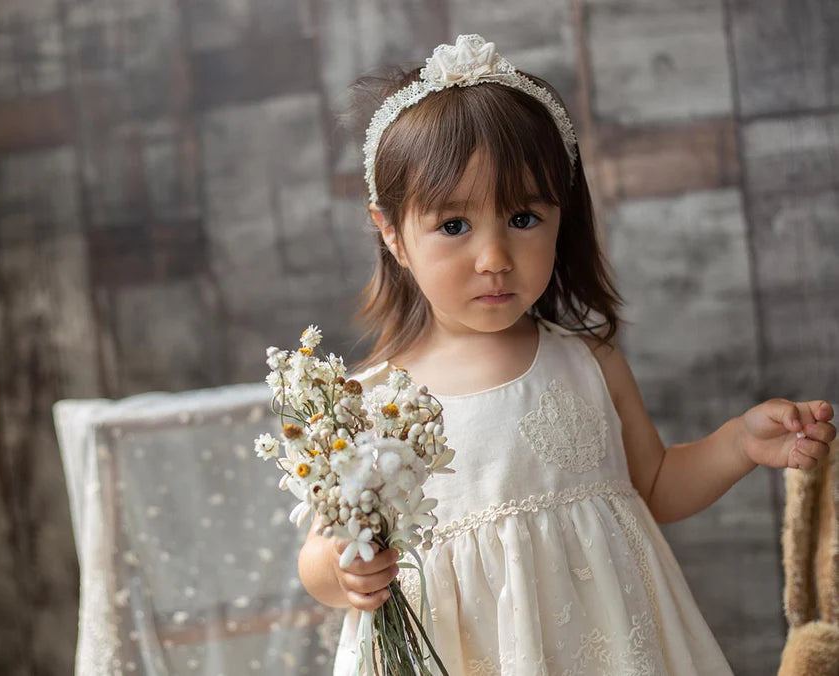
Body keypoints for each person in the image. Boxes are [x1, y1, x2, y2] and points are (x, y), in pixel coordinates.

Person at [296, 34, 836, 675]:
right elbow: (319, 555)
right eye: (453, 226)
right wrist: (344, 572)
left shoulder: (589, 364)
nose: (494, 257)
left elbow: (655, 486)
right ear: (393, 234)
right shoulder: (369, 402)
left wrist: (739, 443)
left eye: (523, 219)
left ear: (561, 216)